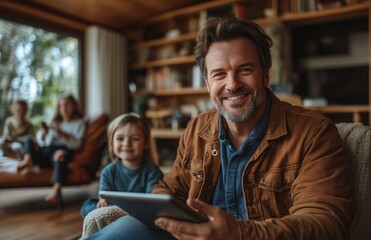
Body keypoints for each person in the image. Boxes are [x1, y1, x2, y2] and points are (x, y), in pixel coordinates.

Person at [87, 16, 354, 240]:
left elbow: (325, 224)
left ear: (266, 74)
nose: (232, 84)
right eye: (219, 74)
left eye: (245, 69)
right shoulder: (196, 129)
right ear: (207, 83)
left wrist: (238, 232)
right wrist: (157, 208)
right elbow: (170, 188)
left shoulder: (314, 133)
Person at [80, 113, 164, 218]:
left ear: (146, 143)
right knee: (87, 206)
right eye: (120, 139)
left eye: (135, 139)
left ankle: (122, 217)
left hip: (140, 212)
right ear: (112, 143)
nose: (126, 144)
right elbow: (105, 198)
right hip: (113, 209)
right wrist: (102, 203)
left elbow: (152, 202)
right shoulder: (108, 172)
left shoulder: (152, 171)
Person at [17, 93, 86, 208]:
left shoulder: (79, 123)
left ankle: (56, 192)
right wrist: (43, 135)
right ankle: (27, 160)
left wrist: (61, 132)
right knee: (28, 139)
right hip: (46, 151)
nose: (64, 108)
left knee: (60, 155)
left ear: (74, 106)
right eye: (61, 105)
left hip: (61, 151)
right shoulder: (55, 122)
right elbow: (44, 142)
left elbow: (77, 145)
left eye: (67, 105)